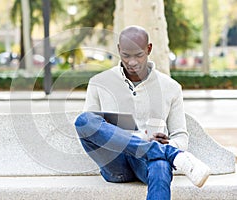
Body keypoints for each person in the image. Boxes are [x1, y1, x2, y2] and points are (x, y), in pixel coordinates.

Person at [74, 25, 210, 200]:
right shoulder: (99, 82)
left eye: (138, 55)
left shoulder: (171, 88)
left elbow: (181, 135)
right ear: (118, 50)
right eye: (126, 55)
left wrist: (170, 144)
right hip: (114, 163)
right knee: (84, 121)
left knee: (161, 165)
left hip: (147, 164)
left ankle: (162, 152)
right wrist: (149, 143)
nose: (132, 62)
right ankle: (168, 154)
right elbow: (91, 130)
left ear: (149, 49)